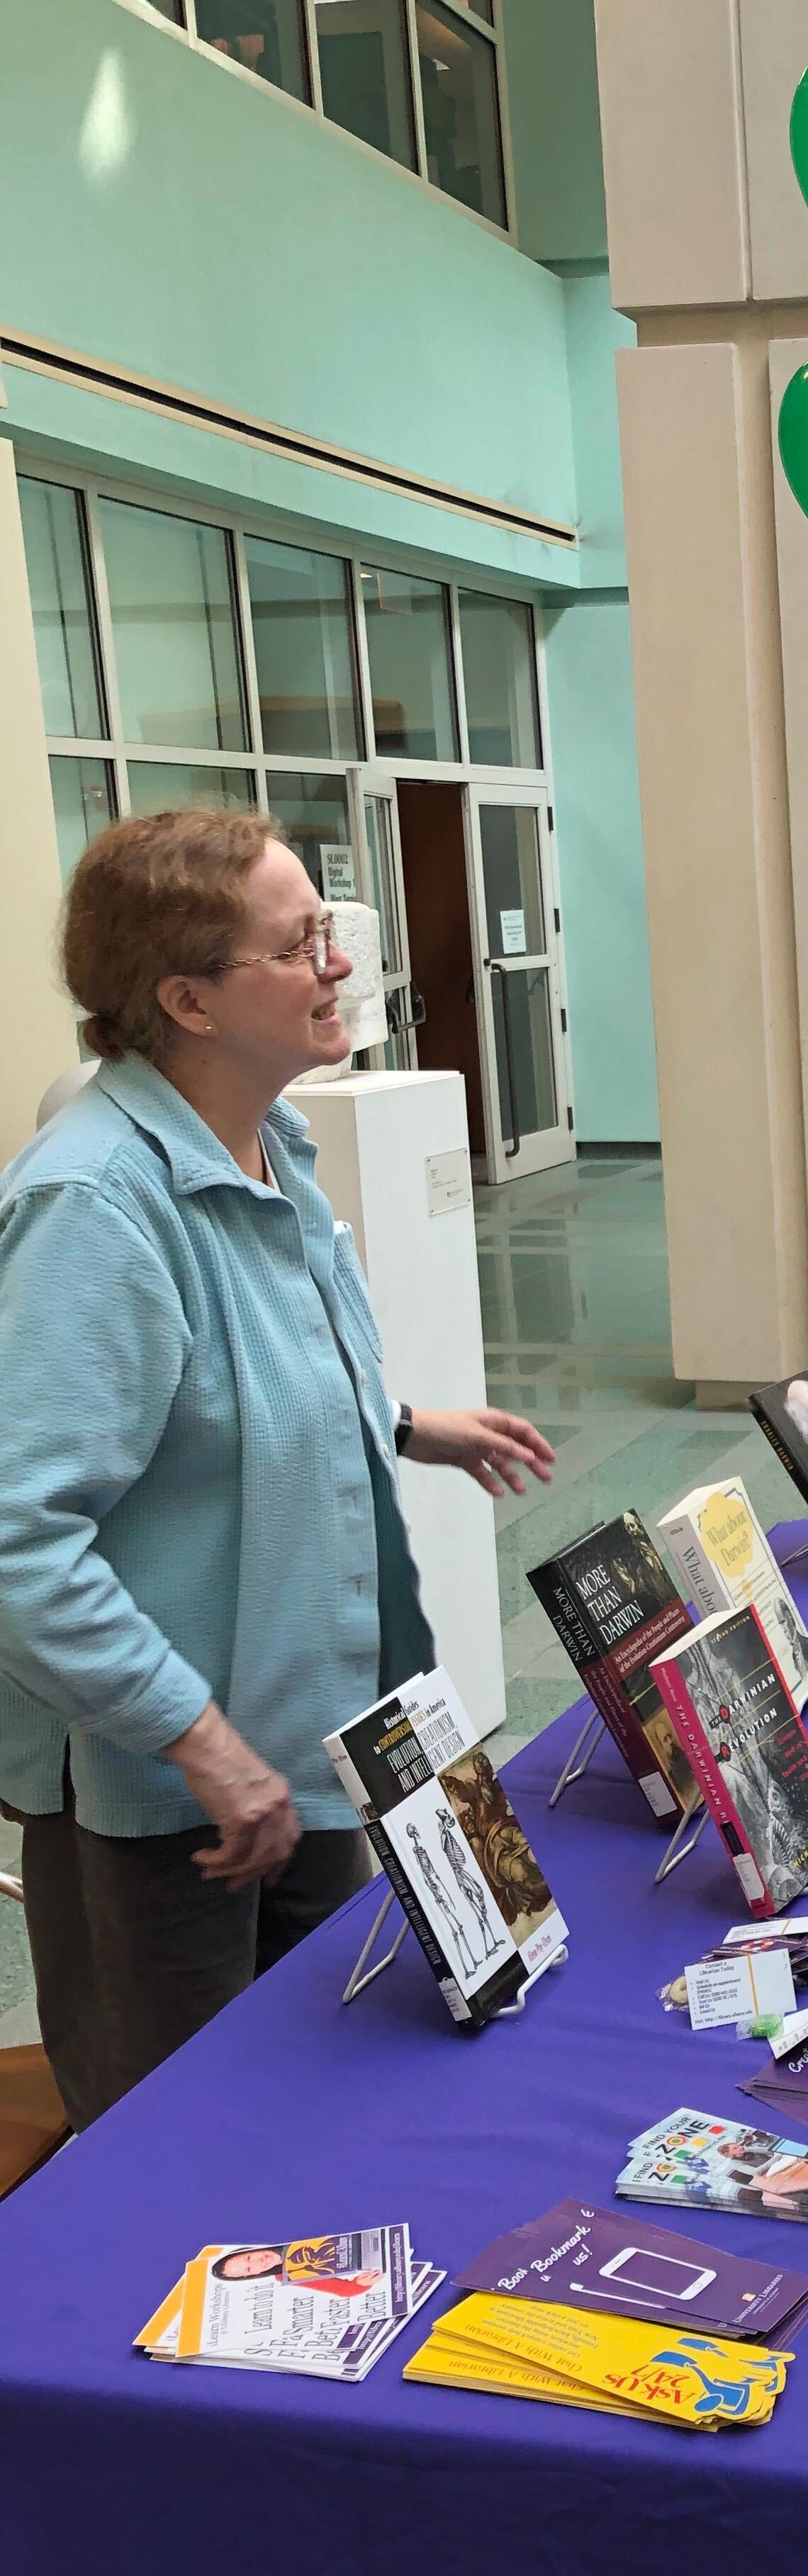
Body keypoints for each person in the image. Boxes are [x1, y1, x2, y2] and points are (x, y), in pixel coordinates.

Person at [0, 809, 555, 2131]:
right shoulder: (94, 1206)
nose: (339, 966)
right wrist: (197, 1740)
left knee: (320, 2097)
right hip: (179, 1793)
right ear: (187, 998)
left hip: (308, 1739)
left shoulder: (273, 1145)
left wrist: (410, 1423)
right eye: (301, 943)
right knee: (184, 2144)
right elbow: (21, 1540)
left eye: (331, 931)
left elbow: (236, 1389)